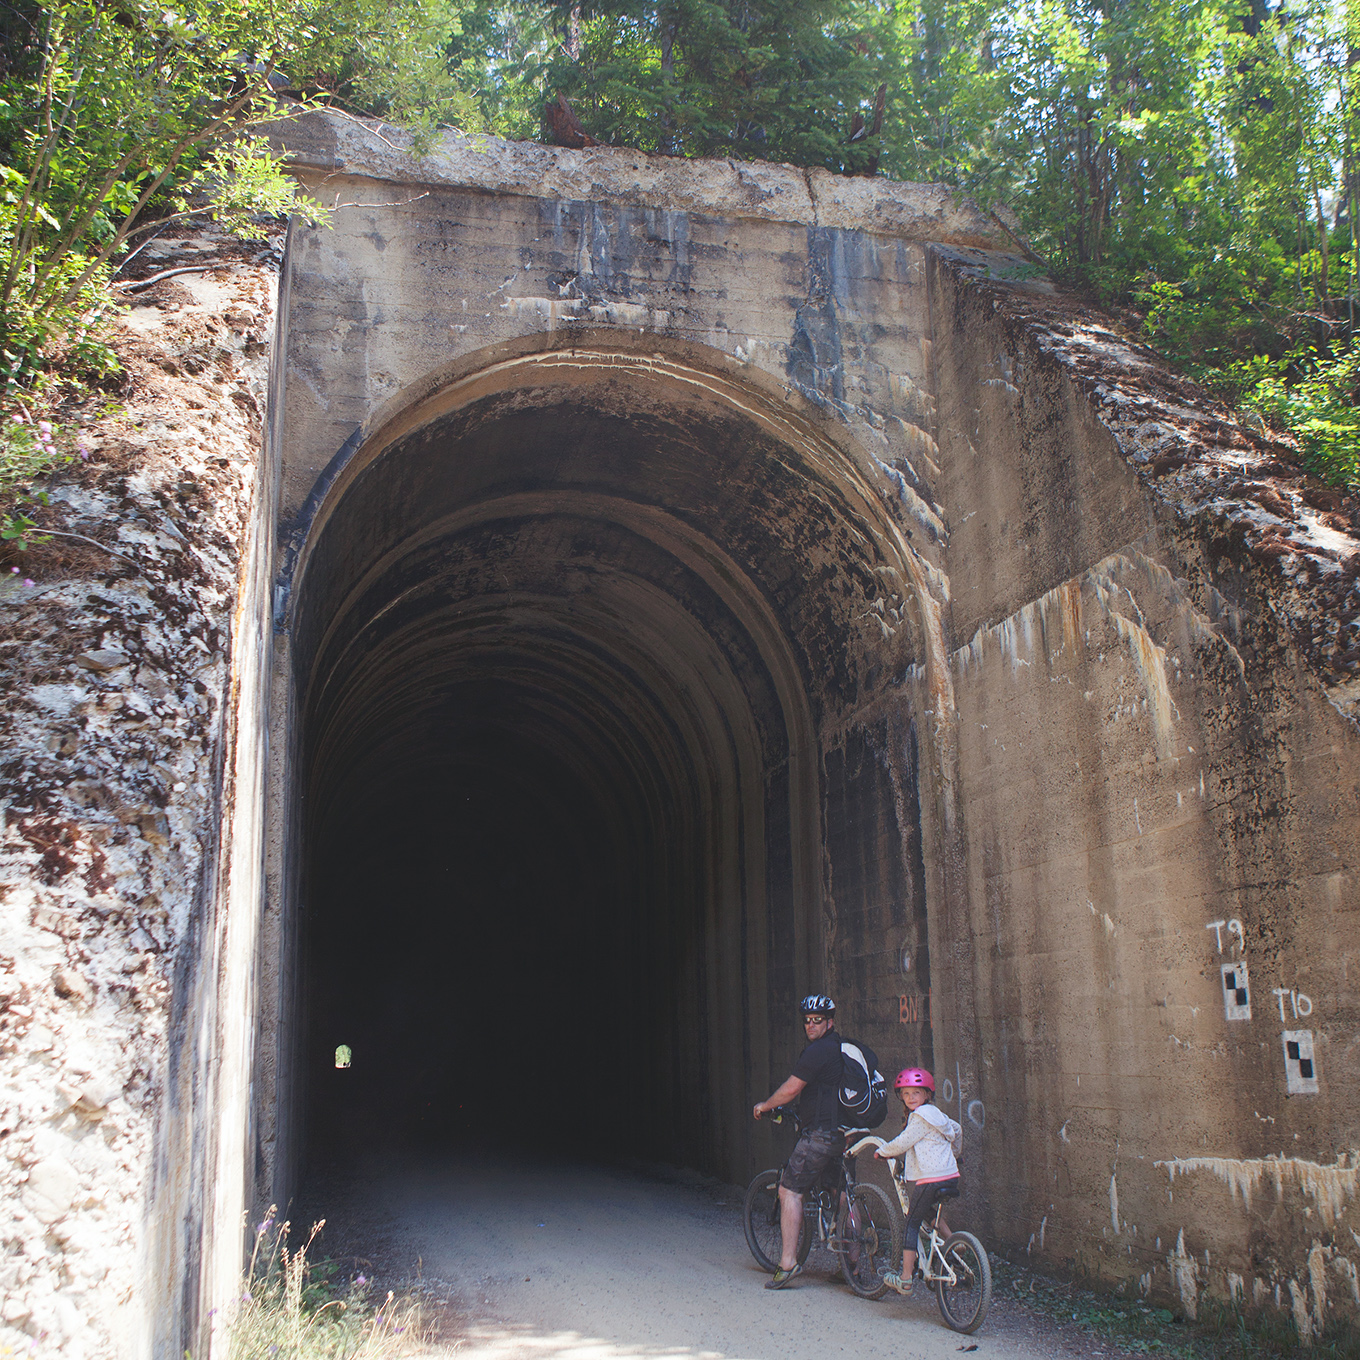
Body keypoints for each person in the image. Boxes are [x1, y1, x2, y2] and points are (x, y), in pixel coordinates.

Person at [752, 993, 845, 1289]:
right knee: (840, 1191)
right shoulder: (842, 1047)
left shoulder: (817, 1051)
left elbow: (791, 1089)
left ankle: (788, 1263)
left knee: (789, 1191)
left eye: (817, 1021)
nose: (811, 1026)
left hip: (820, 1133)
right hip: (844, 1132)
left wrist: (765, 1106)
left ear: (830, 1022)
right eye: (807, 1021)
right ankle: (851, 1265)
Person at [874, 1067, 961, 1295]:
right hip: (950, 1177)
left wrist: (883, 1151)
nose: (911, 1098)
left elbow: (904, 1141)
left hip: (930, 1179)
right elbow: (957, 1130)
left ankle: (905, 1279)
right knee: (927, 1212)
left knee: (911, 1223)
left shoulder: (919, 1117)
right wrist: (955, 1154)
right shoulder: (937, 1114)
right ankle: (955, 1242)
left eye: (916, 1093)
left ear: (927, 1095)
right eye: (906, 1094)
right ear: (901, 1097)